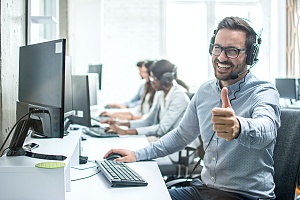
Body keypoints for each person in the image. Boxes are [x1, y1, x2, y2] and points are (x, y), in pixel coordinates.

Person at [103, 16, 281, 200]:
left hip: (245, 196)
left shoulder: (263, 91)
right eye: (217, 48)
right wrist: (137, 154)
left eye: (232, 51)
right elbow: (181, 135)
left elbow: (266, 129)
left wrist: (238, 127)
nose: (221, 57)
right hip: (205, 190)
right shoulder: (205, 91)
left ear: (251, 55)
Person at [102, 59, 191, 137]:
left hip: (180, 149)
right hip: (165, 140)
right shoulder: (160, 94)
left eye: (154, 79)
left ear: (165, 80)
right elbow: (148, 121)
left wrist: (125, 131)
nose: (151, 82)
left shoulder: (178, 97)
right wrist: (120, 124)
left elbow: (162, 129)